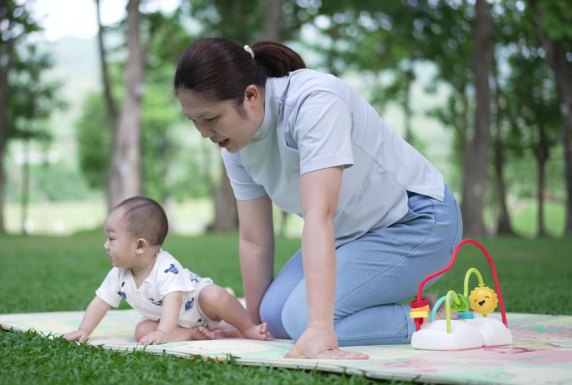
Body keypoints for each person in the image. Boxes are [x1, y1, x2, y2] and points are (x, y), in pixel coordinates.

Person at [173, 38, 463, 359]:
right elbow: (254, 238)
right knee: (274, 316)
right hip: (350, 234)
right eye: (195, 121)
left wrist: (321, 330)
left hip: (418, 221)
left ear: (251, 96)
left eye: (210, 119)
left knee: (303, 320)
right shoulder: (234, 143)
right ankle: (369, 306)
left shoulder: (315, 102)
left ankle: (434, 316)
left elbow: (319, 215)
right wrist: (251, 325)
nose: (203, 132)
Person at [63, 196, 268, 345]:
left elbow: (174, 302)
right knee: (142, 330)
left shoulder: (165, 268)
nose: (106, 245)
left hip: (199, 305)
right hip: (172, 322)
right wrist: (84, 329)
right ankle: (191, 334)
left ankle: (247, 327)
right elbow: (100, 303)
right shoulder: (119, 275)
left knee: (216, 295)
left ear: (140, 246)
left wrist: (162, 333)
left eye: (111, 239)